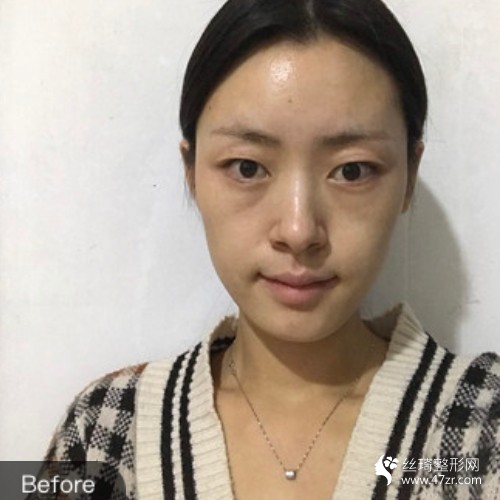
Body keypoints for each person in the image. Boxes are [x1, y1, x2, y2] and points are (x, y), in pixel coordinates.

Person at [39, 0, 500, 498]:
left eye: (352, 170)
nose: (299, 231)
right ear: (191, 173)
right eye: (247, 167)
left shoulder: (482, 427)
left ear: (409, 176)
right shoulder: (106, 432)